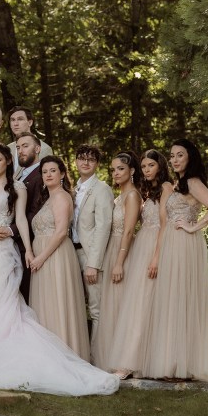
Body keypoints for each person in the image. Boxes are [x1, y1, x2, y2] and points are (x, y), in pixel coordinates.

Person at [0, 144, 118, 396]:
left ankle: (2, 349)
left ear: (8, 161)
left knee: (1, 299)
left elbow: (20, 221)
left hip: (2, 248)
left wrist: (28, 250)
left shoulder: (18, 188)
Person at [142, 139, 208, 381]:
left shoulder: (193, 182)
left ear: (190, 157)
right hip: (171, 245)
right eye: (173, 155)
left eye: (180, 155)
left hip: (184, 245)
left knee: (180, 299)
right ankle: (174, 362)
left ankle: (180, 366)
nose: (175, 159)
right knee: (171, 300)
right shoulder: (179, 183)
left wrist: (193, 227)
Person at [108, 149, 173, 379]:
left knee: (145, 304)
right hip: (140, 248)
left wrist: (156, 256)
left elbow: (165, 224)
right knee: (137, 304)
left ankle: (134, 363)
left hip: (154, 248)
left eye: (150, 166)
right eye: (144, 166)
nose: (147, 170)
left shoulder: (166, 188)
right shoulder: (146, 191)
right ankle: (133, 362)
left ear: (160, 166)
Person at [29, 155, 90, 361]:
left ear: (62, 173)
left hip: (55, 257)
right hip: (44, 257)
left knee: (57, 303)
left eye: (52, 170)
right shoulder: (48, 199)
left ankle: (63, 357)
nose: (48, 175)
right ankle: (47, 357)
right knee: (46, 305)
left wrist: (40, 258)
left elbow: (61, 232)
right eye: (44, 171)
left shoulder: (62, 197)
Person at [92, 151, 142, 371]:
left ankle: (126, 362)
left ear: (132, 171)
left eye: (120, 169)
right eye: (112, 169)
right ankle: (111, 358)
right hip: (112, 250)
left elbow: (129, 230)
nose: (115, 173)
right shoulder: (118, 196)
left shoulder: (132, 196)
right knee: (112, 307)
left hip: (124, 253)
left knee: (123, 307)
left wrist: (119, 262)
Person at [71, 144, 114, 350]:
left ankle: (99, 357)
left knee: (97, 310)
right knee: (77, 307)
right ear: (76, 161)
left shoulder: (102, 189)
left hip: (90, 257)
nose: (85, 163)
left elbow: (103, 227)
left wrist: (93, 264)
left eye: (91, 159)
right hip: (72, 254)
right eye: (81, 158)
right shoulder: (73, 190)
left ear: (97, 164)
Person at [9, 132, 43, 304]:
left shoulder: (41, 175)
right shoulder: (18, 175)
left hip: (28, 245)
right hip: (14, 245)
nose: (21, 151)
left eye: (25, 146)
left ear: (37, 148)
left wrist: (10, 230)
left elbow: (36, 213)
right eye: (18, 147)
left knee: (27, 298)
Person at [7, 106, 52, 176]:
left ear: (30, 122)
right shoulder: (8, 148)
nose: (15, 124)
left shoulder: (44, 149)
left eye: (20, 119)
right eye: (12, 120)